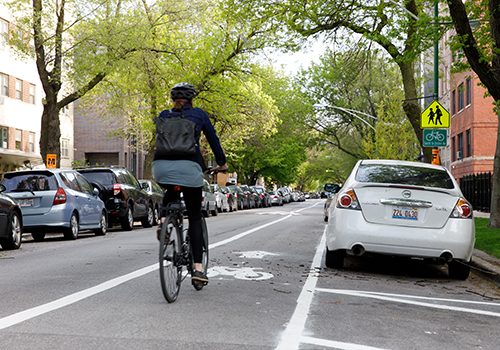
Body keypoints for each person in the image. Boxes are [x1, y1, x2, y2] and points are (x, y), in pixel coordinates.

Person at [152, 82, 228, 284]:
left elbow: (160, 143)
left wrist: (156, 170)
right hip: (189, 167)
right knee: (194, 216)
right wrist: (221, 163)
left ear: (173, 100)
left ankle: (163, 221)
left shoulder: (163, 115)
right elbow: (213, 139)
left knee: (171, 186)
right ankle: (198, 269)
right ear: (191, 100)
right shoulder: (199, 114)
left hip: (161, 166)